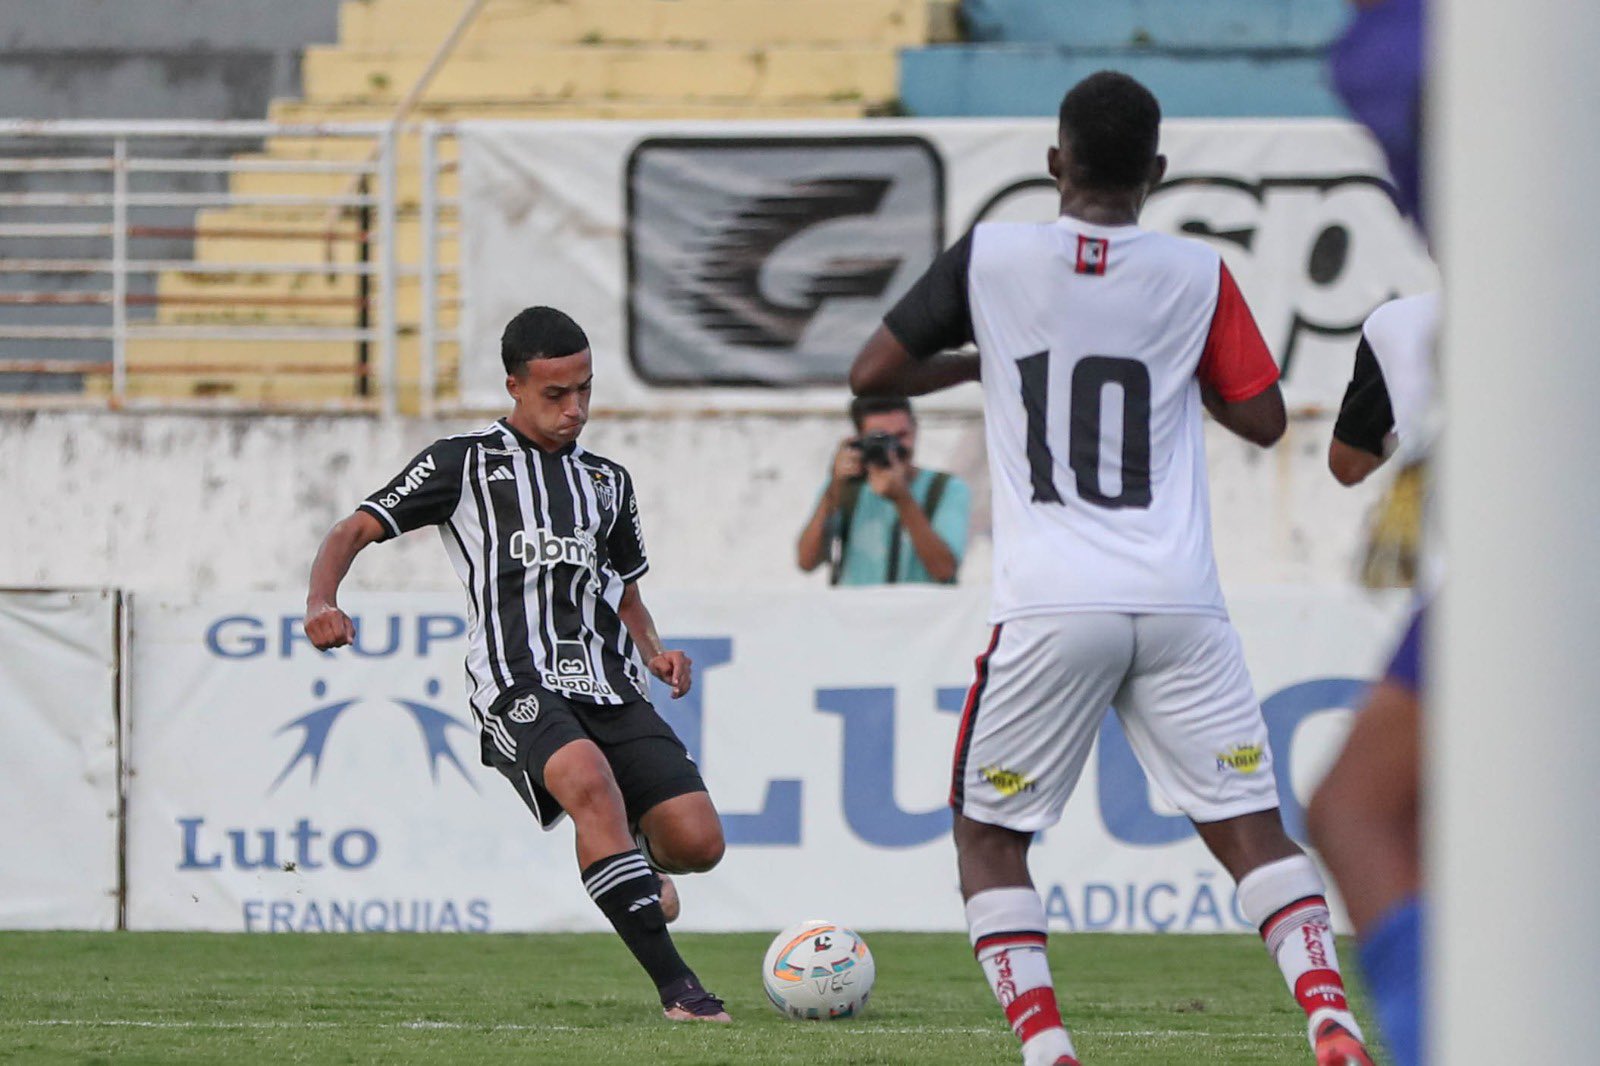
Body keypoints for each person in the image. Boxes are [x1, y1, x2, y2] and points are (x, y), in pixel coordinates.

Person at [849, 72, 1375, 1066]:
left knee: (988, 837)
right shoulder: (1194, 273)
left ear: (1054, 163)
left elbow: (870, 373)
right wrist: (1171, 360)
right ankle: (1328, 1017)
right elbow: (1262, 421)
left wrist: (982, 361)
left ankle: (1049, 1049)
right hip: (1179, 599)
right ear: (1157, 173)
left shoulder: (994, 256)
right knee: (1249, 830)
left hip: (1052, 601)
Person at [303, 306, 731, 1024]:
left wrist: (654, 651)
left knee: (699, 842)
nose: (576, 410)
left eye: (585, 391)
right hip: (516, 681)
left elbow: (623, 589)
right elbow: (354, 528)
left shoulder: (608, 482)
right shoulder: (463, 461)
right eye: (555, 395)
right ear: (514, 386)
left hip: (608, 683)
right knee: (588, 784)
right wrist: (322, 598)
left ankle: (640, 857)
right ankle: (680, 991)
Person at [795, 396, 971, 585]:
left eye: (901, 436)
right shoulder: (845, 486)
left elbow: (944, 570)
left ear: (916, 430)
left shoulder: (946, 489)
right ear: (859, 439)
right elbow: (806, 561)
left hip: (922, 613)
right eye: (880, 438)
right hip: (857, 612)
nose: (893, 448)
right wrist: (832, 492)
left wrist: (903, 500)